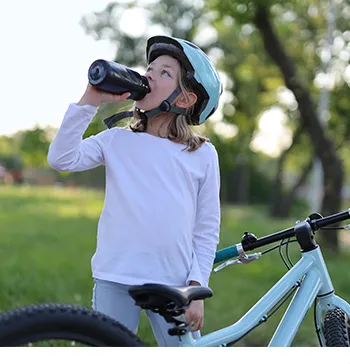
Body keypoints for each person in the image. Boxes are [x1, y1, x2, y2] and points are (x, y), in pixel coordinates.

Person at [47, 35, 222, 346]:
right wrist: (92, 98)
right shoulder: (117, 140)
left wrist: (197, 287)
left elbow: (207, 228)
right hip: (116, 276)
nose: (150, 75)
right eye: (150, 68)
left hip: (175, 284)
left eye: (165, 73)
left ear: (184, 99)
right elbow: (61, 158)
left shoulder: (202, 155)